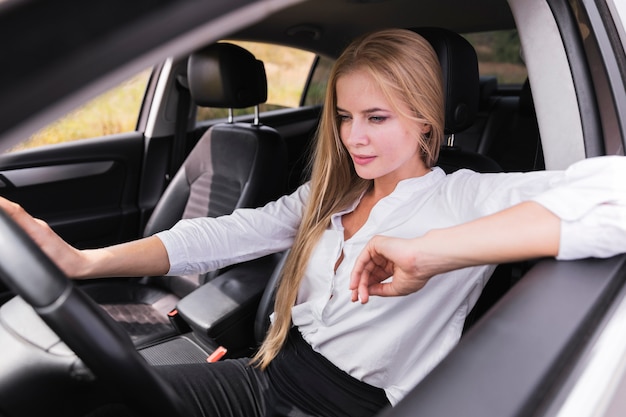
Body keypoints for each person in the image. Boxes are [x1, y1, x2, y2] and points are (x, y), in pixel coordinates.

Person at [1, 28, 625, 417]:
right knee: (102, 400)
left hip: (349, 407)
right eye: (345, 116)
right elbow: (219, 234)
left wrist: (436, 249)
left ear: (425, 122)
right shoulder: (331, 196)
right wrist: (85, 263)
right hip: (266, 377)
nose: (354, 137)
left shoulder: (465, 196)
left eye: (377, 117)